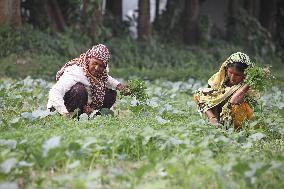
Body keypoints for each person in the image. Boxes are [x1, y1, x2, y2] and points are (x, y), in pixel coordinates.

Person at [47, 44, 128, 118]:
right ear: (89, 60)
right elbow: (55, 91)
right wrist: (64, 112)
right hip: (64, 107)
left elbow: (107, 79)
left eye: (101, 66)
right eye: (95, 63)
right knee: (79, 90)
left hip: (84, 105)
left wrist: (119, 86)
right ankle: (71, 117)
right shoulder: (75, 71)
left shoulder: (101, 74)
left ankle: (96, 117)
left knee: (111, 93)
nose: (96, 68)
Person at [193, 52, 257, 129]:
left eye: (238, 75)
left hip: (237, 120)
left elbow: (234, 101)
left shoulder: (249, 86)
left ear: (245, 74)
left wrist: (248, 84)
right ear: (226, 69)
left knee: (237, 106)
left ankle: (233, 129)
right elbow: (206, 98)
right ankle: (213, 121)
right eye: (230, 72)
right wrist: (212, 118)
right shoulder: (218, 79)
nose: (233, 77)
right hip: (218, 116)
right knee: (199, 94)